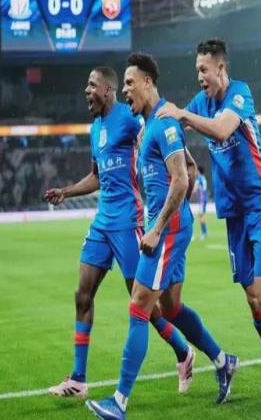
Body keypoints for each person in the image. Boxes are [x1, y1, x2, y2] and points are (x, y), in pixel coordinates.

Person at [86, 54, 238, 420]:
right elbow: (188, 166)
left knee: (139, 306)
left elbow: (183, 178)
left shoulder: (164, 124)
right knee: (171, 308)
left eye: (129, 83)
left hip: (165, 230)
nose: (125, 90)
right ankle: (223, 360)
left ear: (147, 82)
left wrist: (158, 228)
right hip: (172, 225)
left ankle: (119, 402)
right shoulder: (150, 124)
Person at [156, 39, 261, 406]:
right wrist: (150, 127)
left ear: (220, 68)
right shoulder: (200, 103)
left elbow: (220, 130)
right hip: (234, 213)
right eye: (196, 70)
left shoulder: (240, 94)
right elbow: (172, 126)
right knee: (252, 301)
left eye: (204, 69)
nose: (199, 76)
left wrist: (182, 115)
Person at [44, 66, 193, 399]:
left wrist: (183, 161)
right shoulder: (95, 129)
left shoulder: (129, 116)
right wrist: (66, 191)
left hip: (129, 221)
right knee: (82, 295)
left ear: (108, 89)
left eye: (92, 85)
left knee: (143, 304)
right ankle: (78, 379)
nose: (87, 91)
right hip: (102, 222)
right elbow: (97, 176)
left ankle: (183, 351)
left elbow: (157, 131)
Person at [195, 166, 209, 240]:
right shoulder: (203, 178)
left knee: (201, 216)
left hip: (202, 199)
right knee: (200, 215)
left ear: (198, 171)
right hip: (203, 198)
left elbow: (195, 188)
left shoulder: (199, 178)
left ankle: (204, 233)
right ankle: (204, 232)